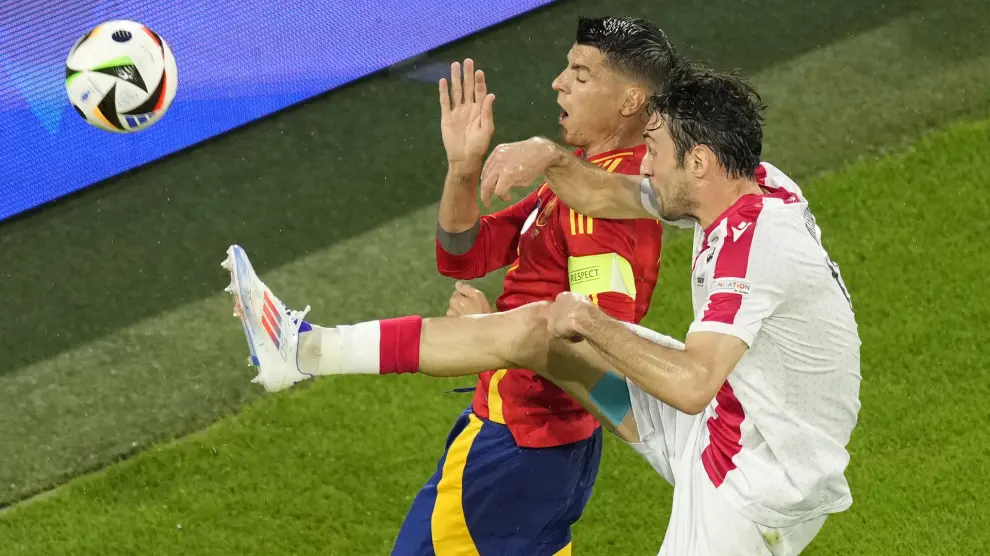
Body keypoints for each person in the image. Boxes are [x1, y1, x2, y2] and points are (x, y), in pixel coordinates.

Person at [222, 63, 860, 555]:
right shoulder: (752, 180)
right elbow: (615, 193)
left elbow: (692, 384)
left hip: (754, 484)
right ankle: (301, 352)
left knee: (569, 324)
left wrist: (589, 320)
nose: (646, 159)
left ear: (698, 161)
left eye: (657, 147)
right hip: (728, 422)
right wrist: (551, 158)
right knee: (534, 331)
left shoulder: (753, 247)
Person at [224, 16, 679, 556]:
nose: (558, 82)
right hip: (550, 447)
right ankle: (302, 350)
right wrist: (464, 167)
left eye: (580, 74)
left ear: (629, 101)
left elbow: (601, 344)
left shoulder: (597, 210)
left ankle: (303, 350)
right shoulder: (593, 182)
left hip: (515, 446)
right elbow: (464, 253)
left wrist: (492, 333)